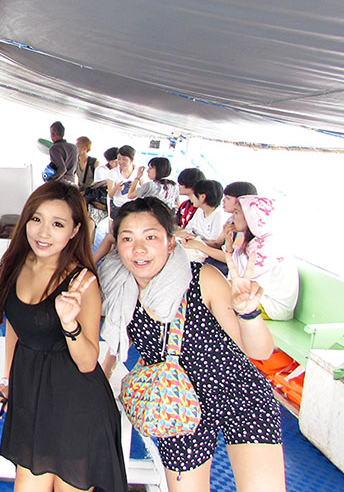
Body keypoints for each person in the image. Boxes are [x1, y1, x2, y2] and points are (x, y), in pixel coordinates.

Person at [99, 197, 285, 492]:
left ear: (171, 243)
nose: (139, 249)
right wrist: (99, 381)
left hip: (239, 394)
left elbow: (259, 352)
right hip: (173, 402)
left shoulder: (201, 279)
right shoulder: (120, 289)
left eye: (151, 237)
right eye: (127, 238)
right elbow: (119, 342)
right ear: (117, 245)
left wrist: (248, 313)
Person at [0, 182, 127, 492]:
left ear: (75, 230)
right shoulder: (14, 264)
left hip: (76, 406)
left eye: (58, 224)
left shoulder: (82, 281)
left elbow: (87, 362)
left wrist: (68, 323)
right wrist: (8, 381)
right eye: (36, 219)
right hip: (32, 399)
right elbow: (16, 326)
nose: (43, 232)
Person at [231, 196, 298, 321]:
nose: (232, 217)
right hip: (262, 298)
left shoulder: (266, 247)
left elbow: (246, 284)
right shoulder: (258, 242)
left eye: (236, 212)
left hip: (273, 306)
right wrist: (229, 244)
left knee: (220, 300)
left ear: (251, 218)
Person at [183, 181, 258, 266]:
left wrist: (200, 246)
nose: (223, 201)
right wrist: (195, 240)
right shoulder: (231, 220)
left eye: (228, 198)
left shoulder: (244, 226)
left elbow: (232, 258)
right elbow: (217, 243)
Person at [178, 180, 227, 244]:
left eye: (194, 194)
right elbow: (187, 229)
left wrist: (194, 240)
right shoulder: (200, 210)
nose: (192, 198)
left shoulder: (218, 216)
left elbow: (214, 243)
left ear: (202, 197)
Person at [106, 144, 137, 216]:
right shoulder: (113, 173)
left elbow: (143, 191)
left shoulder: (138, 173)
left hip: (134, 206)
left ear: (131, 160)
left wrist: (134, 186)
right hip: (118, 206)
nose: (120, 162)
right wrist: (116, 187)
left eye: (124, 159)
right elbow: (110, 195)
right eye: (119, 159)